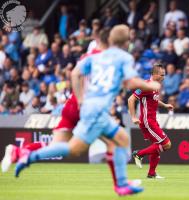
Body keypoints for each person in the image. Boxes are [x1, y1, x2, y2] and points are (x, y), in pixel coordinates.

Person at [13, 25, 161, 196]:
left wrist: (81, 99)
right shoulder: (124, 57)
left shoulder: (96, 56)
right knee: (73, 149)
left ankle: (121, 185)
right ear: (127, 42)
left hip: (90, 107)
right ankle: (28, 156)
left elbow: (75, 73)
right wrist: (151, 85)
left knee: (121, 138)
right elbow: (130, 82)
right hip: (97, 110)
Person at [128, 62, 173, 179]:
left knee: (157, 146)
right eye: (162, 75)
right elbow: (130, 99)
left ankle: (151, 174)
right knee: (166, 144)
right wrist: (133, 116)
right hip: (148, 121)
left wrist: (164, 105)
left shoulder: (155, 86)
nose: (164, 77)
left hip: (152, 120)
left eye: (164, 75)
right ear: (154, 74)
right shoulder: (145, 85)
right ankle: (138, 154)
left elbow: (154, 99)